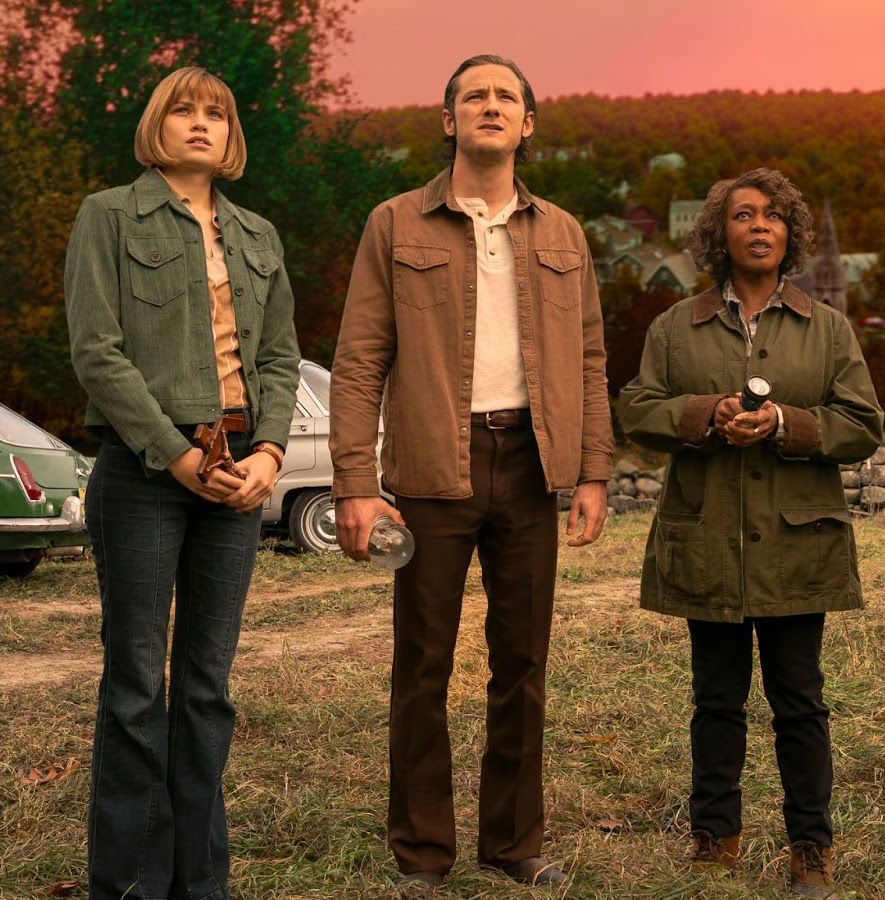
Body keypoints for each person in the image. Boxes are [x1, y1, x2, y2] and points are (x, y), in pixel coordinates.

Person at [326, 54, 612, 896]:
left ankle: (513, 845)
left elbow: (591, 360)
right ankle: (422, 854)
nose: (490, 106)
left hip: (530, 467)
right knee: (423, 665)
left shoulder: (563, 233)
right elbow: (357, 362)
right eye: (473, 96)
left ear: (528, 125)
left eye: (507, 98)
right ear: (447, 120)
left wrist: (592, 472)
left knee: (522, 663)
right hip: (427, 472)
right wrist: (352, 483)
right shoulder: (394, 224)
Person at [65, 66, 300, 900]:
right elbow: (97, 350)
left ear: (231, 136)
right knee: (137, 683)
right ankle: (129, 885)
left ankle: (200, 884)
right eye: (182, 110)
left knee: (207, 686)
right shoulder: (108, 215)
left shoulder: (260, 235)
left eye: (215, 113)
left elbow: (277, 358)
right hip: (145, 472)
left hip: (238, 470)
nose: (199, 124)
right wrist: (176, 455)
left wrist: (269, 455)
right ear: (155, 125)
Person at [617, 168, 883, 899]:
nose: (759, 226)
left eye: (773, 216)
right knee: (716, 698)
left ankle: (810, 846)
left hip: (800, 543)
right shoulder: (677, 326)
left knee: (800, 700)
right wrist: (705, 413)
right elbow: (637, 410)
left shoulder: (828, 328)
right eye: (743, 215)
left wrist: (784, 424)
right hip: (711, 541)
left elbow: (863, 425)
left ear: (791, 234)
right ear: (720, 233)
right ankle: (715, 835)